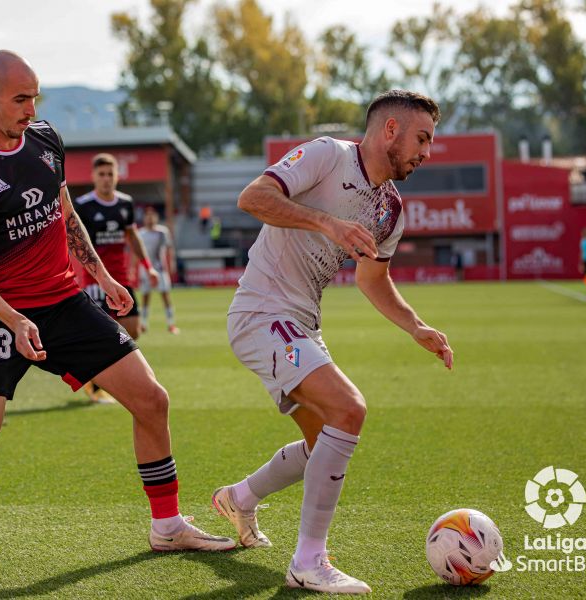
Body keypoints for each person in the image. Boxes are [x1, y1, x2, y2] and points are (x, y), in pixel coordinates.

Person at [0, 50, 234, 576]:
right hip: (3, 315)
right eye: (21, 99)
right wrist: (15, 319)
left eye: (35, 98)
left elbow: (65, 212)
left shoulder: (47, 140)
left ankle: (166, 525)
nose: (31, 109)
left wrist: (103, 276)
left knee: (152, 399)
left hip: (66, 302)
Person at [211, 90, 453, 595]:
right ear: (390, 130)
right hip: (262, 312)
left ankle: (240, 498)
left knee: (323, 443)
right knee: (349, 410)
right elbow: (252, 198)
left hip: (301, 324)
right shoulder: (327, 154)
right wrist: (327, 221)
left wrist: (416, 326)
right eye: (423, 138)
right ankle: (308, 562)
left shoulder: (389, 208)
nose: (427, 152)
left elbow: (373, 281)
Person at [74, 153, 160, 402]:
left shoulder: (125, 203)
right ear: (93, 177)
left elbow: (132, 237)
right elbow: (75, 241)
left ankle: (98, 373)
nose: (106, 179)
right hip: (95, 280)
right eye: (101, 174)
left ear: (117, 176)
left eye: (110, 174)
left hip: (121, 278)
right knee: (103, 332)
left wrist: (148, 266)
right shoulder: (83, 205)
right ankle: (96, 383)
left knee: (132, 329)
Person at [138, 207, 179, 334]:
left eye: (152, 215)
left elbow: (169, 248)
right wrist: (133, 268)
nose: (150, 218)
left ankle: (171, 324)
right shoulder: (140, 233)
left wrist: (172, 263)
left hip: (160, 269)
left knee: (165, 296)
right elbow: (136, 252)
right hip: (145, 270)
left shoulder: (162, 232)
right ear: (144, 218)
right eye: (147, 215)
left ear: (156, 217)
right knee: (145, 297)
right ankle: (143, 324)